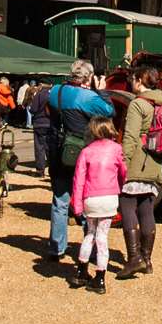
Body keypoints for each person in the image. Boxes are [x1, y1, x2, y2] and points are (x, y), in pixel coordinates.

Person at [42, 60, 115, 262]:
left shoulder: (56, 91)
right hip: (81, 152)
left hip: (57, 149)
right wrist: (103, 92)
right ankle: (88, 246)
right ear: (88, 77)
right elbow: (110, 112)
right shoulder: (88, 97)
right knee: (85, 199)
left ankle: (56, 248)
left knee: (60, 199)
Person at [117, 65, 162, 279]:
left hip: (138, 161)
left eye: (133, 79)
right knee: (146, 208)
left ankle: (134, 259)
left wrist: (123, 162)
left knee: (127, 205)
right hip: (156, 162)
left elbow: (130, 137)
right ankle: (147, 260)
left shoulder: (138, 104)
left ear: (139, 80)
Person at [69, 117, 126, 293]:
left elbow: (78, 181)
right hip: (109, 197)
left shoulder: (86, 151)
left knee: (90, 235)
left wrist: (76, 205)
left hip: (91, 198)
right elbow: (124, 172)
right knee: (102, 238)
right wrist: (120, 185)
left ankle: (81, 270)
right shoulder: (117, 149)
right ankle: (100, 278)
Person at [29, 81, 53, 173]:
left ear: (41, 84)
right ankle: (52, 169)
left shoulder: (39, 94)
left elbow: (33, 109)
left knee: (39, 147)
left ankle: (40, 170)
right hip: (51, 123)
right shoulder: (54, 94)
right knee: (50, 147)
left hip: (39, 123)